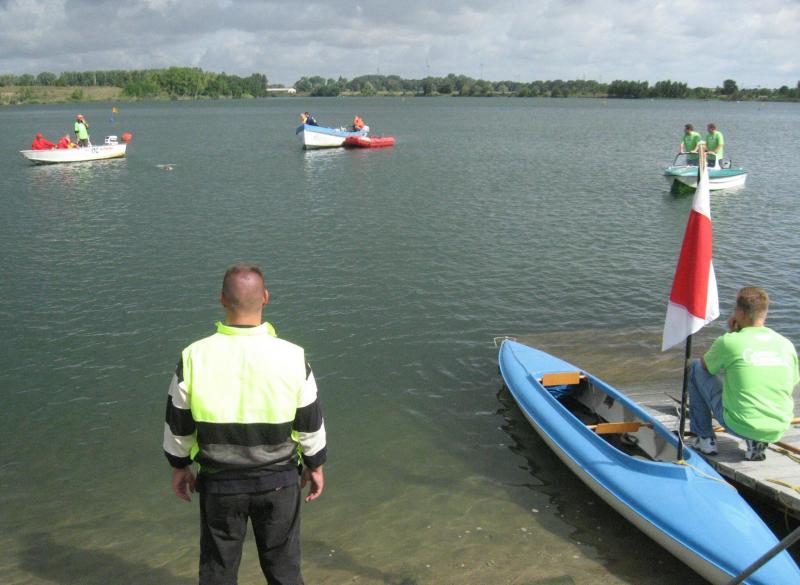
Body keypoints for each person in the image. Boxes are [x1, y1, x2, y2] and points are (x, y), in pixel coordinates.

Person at [163, 264, 326, 585]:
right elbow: (310, 423)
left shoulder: (194, 356)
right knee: (284, 571)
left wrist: (180, 466)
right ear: (265, 297)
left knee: (218, 571)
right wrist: (315, 465)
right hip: (278, 482)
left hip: (220, 484)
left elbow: (178, 424)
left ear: (222, 299)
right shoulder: (293, 356)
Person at [687, 287, 799, 461]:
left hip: (739, 424)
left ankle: (705, 439)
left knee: (695, 368)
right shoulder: (786, 344)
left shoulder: (730, 341)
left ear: (740, 312)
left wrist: (733, 332)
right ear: (764, 312)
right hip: (778, 427)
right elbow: (792, 381)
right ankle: (756, 442)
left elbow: (706, 368)